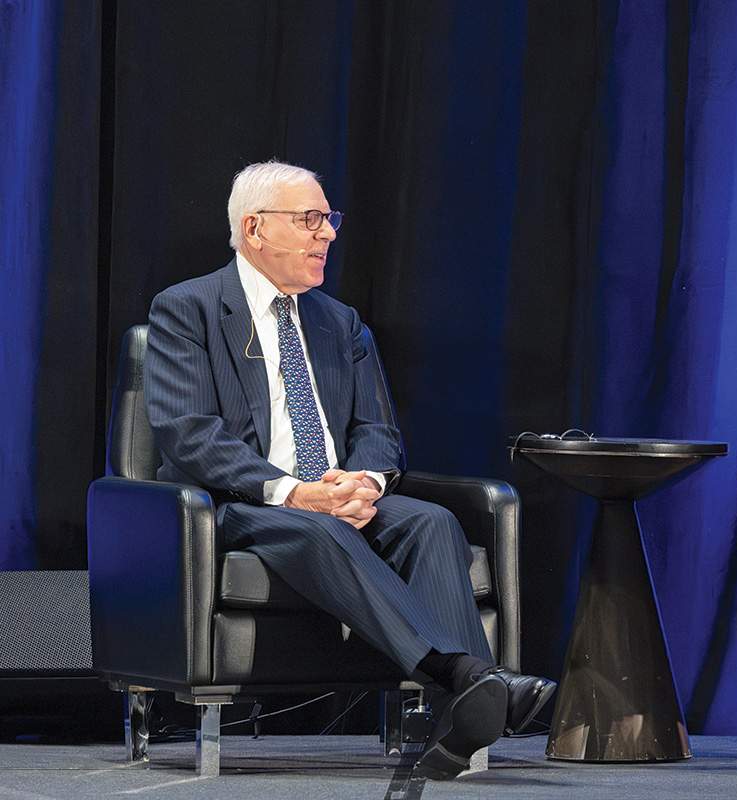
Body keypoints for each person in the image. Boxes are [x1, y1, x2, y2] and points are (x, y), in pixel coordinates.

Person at [143, 160, 554, 781]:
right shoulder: (188, 309)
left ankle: (456, 721)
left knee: (434, 522)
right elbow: (188, 432)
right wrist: (293, 491)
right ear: (255, 229)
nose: (328, 233)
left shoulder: (341, 323)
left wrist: (365, 482)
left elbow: (377, 431)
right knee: (321, 527)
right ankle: (469, 676)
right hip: (241, 503)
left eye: (329, 220)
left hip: (336, 494)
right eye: (310, 219)